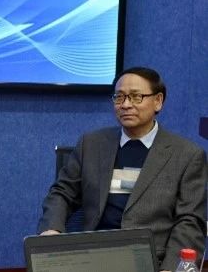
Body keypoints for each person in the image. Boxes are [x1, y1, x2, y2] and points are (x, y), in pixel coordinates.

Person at [37, 66, 206, 272]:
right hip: (92, 257)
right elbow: (62, 193)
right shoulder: (91, 144)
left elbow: (190, 221)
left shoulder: (187, 155)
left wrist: (171, 268)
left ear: (158, 101)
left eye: (136, 97)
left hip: (152, 261)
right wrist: (51, 230)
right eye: (119, 97)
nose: (125, 104)